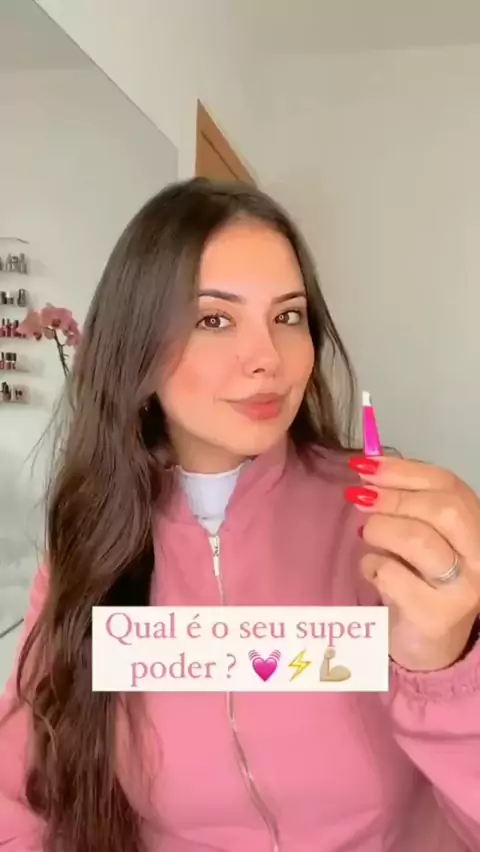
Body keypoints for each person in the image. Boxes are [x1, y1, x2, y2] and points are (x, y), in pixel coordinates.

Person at [0, 178, 479, 852]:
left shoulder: (385, 528)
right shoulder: (91, 543)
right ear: (137, 349)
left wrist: (447, 670)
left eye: (289, 316)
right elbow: (22, 793)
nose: (268, 360)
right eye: (214, 320)